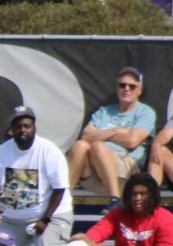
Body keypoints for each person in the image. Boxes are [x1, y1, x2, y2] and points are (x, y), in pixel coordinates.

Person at [0, 105, 74, 246]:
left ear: (34, 127)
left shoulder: (48, 151)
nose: (23, 130)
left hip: (52, 215)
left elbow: (60, 189)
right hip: (13, 219)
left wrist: (45, 219)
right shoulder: (4, 151)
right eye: (18, 126)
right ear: (12, 129)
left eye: (27, 125)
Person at [65, 67, 155, 208]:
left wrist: (100, 136)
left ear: (140, 90)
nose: (126, 89)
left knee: (97, 146)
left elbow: (132, 141)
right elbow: (86, 136)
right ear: (117, 88)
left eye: (132, 86)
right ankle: (63, 201)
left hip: (126, 173)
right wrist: (115, 131)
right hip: (94, 174)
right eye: (122, 85)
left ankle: (115, 199)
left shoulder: (145, 112)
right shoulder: (104, 111)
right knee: (79, 146)